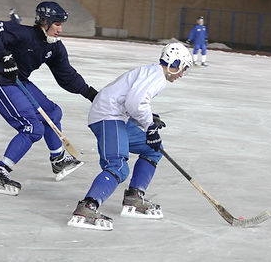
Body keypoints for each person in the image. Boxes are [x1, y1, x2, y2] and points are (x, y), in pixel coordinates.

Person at [67, 43, 193, 231]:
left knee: (153, 149)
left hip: (116, 116)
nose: (182, 74)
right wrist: (149, 126)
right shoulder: (157, 77)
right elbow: (135, 102)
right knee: (118, 165)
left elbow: (130, 100)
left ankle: (134, 197)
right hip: (108, 116)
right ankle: (88, 206)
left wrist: (150, 118)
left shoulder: (152, 72)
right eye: (183, 69)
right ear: (175, 63)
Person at [0, 1, 98, 196]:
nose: (60, 29)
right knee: (32, 128)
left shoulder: (54, 47)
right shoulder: (24, 34)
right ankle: (0, 173)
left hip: (21, 83)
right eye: (57, 24)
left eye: (61, 25)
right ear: (45, 21)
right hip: (1, 84)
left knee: (52, 112)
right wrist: (5, 56)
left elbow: (66, 75)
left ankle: (58, 160)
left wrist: (91, 93)